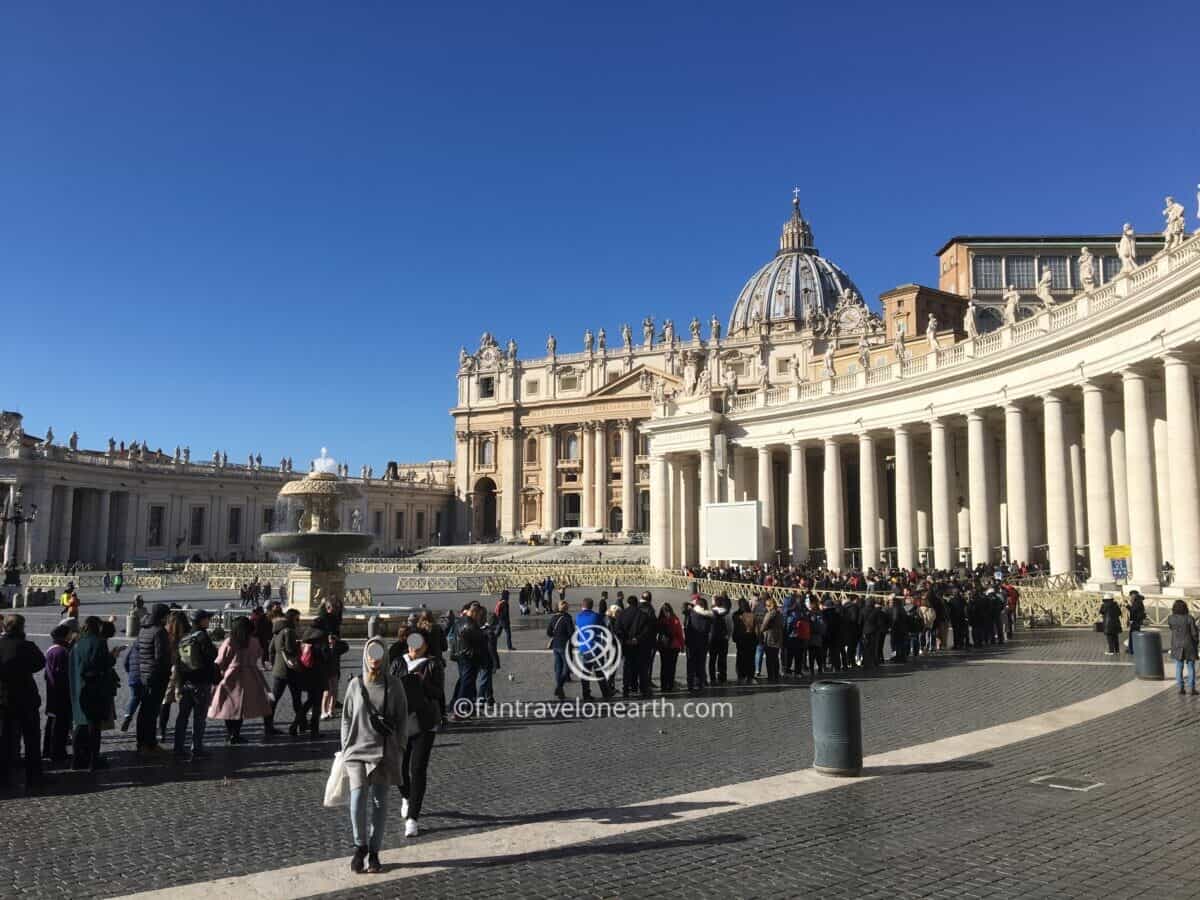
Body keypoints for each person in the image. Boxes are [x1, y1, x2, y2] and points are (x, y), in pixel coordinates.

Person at [342, 637, 408, 874]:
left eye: (378, 654)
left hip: (384, 751)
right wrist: (345, 745)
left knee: (380, 804)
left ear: (385, 657)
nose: (373, 659)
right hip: (357, 751)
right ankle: (360, 845)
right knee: (357, 799)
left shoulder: (394, 685)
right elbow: (346, 717)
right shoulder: (355, 685)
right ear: (365, 656)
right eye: (370, 653)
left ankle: (374, 852)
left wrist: (400, 747)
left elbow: (402, 718)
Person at [394, 632, 441, 837]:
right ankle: (407, 796)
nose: (414, 649)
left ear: (425, 646)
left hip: (424, 723)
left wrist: (422, 683)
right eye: (411, 644)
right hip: (401, 723)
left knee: (418, 769)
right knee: (399, 768)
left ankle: (413, 818)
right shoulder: (397, 662)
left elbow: (438, 693)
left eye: (418, 645)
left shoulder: (432, 664)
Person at [207, 616, 272, 745]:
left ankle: (230, 733)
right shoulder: (254, 641)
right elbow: (259, 654)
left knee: (228, 705)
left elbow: (221, 660)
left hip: (231, 675)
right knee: (241, 706)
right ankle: (236, 733)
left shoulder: (230, 641)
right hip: (250, 674)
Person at [0, 613, 46, 788]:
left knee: (4, 740)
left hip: (4, 699)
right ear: (21, 628)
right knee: (32, 739)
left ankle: (4, 777)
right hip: (26, 698)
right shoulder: (27, 646)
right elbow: (40, 663)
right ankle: (34, 777)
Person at [68, 615, 119, 772]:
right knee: (94, 727)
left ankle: (77, 760)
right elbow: (101, 664)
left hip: (78, 688)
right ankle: (93, 761)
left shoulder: (77, 643)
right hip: (94, 689)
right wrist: (113, 656)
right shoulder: (98, 642)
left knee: (80, 725)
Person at [174, 609, 219, 758]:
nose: (209, 621)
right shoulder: (202, 636)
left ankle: (178, 747)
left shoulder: (185, 636)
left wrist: (179, 684)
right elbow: (213, 655)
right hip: (201, 682)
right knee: (199, 718)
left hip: (186, 682)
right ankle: (197, 747)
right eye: (207, 619)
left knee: (182, 717)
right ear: (201, 621)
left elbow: (178, 661)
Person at [135, 603, 172, 752]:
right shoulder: (159, 632)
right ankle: (149, 743)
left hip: (144, 673)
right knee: (151, 712)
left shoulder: (144, 630)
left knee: (144, 710)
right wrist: (166, 672)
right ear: (163, 616)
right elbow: (161, 657)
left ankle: (142, 741)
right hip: (156, 676)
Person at [42, 621, 76, 765]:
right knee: (60, 724)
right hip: (61, 693)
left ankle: (49, 751)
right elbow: (62, 675)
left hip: (53, 692)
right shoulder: (61, 652)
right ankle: (57, 752)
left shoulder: (52, 649)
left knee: (52, 722)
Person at [269, 609, 304, 735]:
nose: (298, 622)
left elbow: (271, 650)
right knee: (297, 698)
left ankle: (268, 725)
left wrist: (274, 665)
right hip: (291, 670)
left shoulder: (276, 631)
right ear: (292, 619)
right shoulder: (289, 631)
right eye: (297, 619)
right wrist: (299, 646)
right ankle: (301, 724)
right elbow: (290, 649)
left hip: (279, 670)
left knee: (274, 698)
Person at [157, 610, 189, 745]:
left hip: (168, 672)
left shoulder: (165, 635)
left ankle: (162, 731)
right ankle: (179, 733)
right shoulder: (186, 636)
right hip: (182, 671)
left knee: (165, 702)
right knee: (183, 703)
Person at [1167, 600, 1198, 695]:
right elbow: (1194, 633)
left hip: (1176, 644)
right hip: (1189, 644)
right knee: (1191, 667)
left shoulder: (1170, 618)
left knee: (1179, 666)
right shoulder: (1190, 618)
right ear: (1185, 608)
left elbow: (1171, 628)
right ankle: (1192, 688)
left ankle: (1181, 688)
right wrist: (1196, 641)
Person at [546, 600, 574, 699]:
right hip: (565, 646)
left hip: (556, 646)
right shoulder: (567, 618)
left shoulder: (553, 618)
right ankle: (559, 687)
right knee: (567, 668)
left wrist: (556, 635)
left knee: (558, 668)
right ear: (566, 608)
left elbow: (549, 632)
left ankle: (560, 690)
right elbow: (571, 633)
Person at [683, 596, 712, 691]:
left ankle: (690, 684)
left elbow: (686, 627)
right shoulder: (708, 617)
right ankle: (700, 683)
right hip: (703, 643)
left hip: (691, 643)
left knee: (690, 664)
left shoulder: (690, 614)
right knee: (701, 664)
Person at [656, 603, 684, 692]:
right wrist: (682, 645)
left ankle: (663, 685)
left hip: (663, 646)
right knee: (672, 666)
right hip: (674, 646)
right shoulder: (675, 619)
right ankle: (670, 685)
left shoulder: (659, 620)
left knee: (664, 666)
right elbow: (679, 633)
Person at [732, 598, 758, 684]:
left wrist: (734, 637)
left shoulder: (735, 615)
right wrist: (758, 639)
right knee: (750, 658)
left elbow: (735, 628)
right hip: (751, 638)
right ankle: (750, 676)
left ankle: (741, 676)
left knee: (740, 658)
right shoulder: (752, 615)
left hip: (740, 639)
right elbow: (756, 630)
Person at [759, 597, 783, 682]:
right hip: (778, 637)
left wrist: (760, 631)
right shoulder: (779, 613)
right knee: (775, 657)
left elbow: (763, 626)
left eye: (766, 605)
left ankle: (770, 675)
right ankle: (776, 675)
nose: (765, 607)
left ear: (769, 605)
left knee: (769, 658)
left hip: (769, 637)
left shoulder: (770, 614)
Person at [708, 594, 730, 685]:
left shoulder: (710, 613)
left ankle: (712, 677)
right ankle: (722, 678)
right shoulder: (726, 613)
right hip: (723, 639)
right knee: (722, 659)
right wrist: (727, 637)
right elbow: (730, 628)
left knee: (712, 659)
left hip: (712, 639)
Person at [1125, 591, 1146, 655]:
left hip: (1136, 621)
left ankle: (1132, 650)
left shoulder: (1137, 602)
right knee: (1133, 635)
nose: (1130, 597)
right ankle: (1132, 649)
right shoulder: (1138, 601)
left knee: (1133, 635)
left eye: (1130, 596)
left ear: (1133, 595)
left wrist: (1127, 605)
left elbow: (1133, 610)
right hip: (1137, 620)